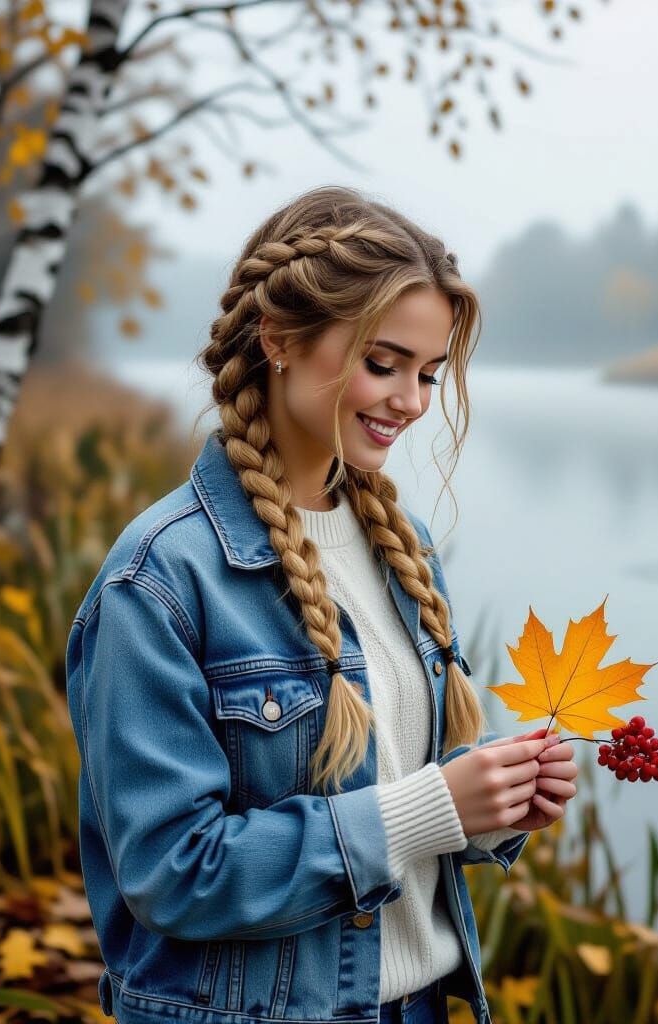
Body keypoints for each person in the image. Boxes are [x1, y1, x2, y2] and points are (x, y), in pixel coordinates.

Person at [65, 184, 578, 1024]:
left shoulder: (402, 546)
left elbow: (411, 798)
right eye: (383, 364)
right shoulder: (159, 579)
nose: (411, 402)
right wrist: (432, 809)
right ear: (278, 339)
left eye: (427, 373)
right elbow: (172, 872)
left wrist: (493, 805)